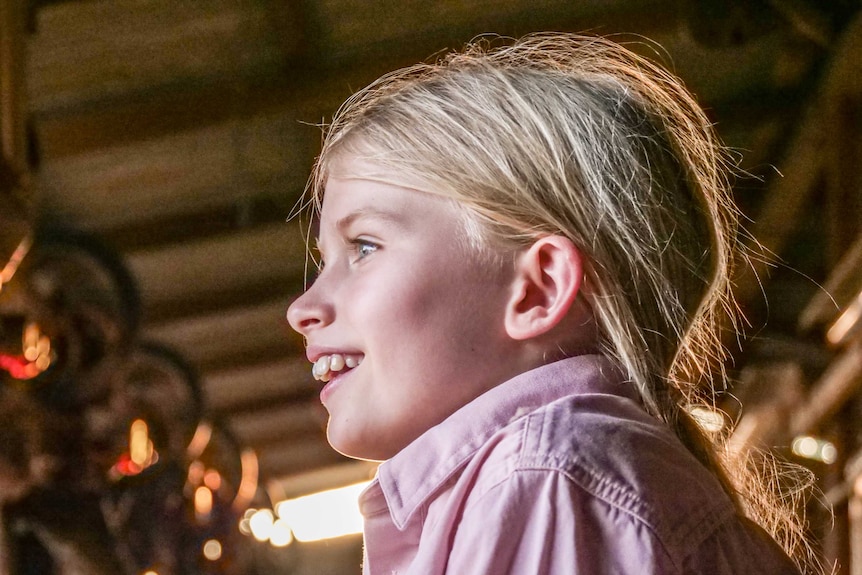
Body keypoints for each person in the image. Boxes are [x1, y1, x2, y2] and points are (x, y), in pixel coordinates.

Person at [287, 33, 816, 574]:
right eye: (325, 259)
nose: (302, 308)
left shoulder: (545, 478)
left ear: (539, 288)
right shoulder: (566, 474)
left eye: (365, 247)